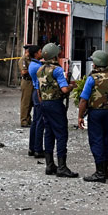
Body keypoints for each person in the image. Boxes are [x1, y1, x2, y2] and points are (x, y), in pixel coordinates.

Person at [77, 49, 108, 183]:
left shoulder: (92, 79)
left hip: (95, 113)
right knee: (105, 140)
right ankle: (105, 170)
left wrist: (80, 116)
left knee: (96, 140)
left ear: (96, 64)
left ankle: (99, 173)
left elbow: (83, 100)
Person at [36, 43, 78, 178]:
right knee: (61, 134)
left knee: (48, 133)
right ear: (55, 55)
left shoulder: (39, 70)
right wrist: (72, 86)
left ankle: (49, 165)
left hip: (44, 103)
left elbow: (38, 90)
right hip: (55, 104)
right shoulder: (57, 70)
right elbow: (64, 89)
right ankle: (62, 167)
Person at [27, 45, 45, 158]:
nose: (41, 52)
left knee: (35, 121)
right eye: (39, 51)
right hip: (39, 93)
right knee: (40, 122)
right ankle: (38, 148)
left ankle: (32, 147)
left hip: (35, 92)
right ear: (35, 54)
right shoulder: (37, 67)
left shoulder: (34, 64)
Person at [18, 45, 33, 127]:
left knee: (30, 102)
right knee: (25, 102)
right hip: (26, 81)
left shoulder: (30, 59)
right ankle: (23, 120)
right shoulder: (23, 60)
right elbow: (24, 71)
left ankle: (28, 119)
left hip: (31, 81)